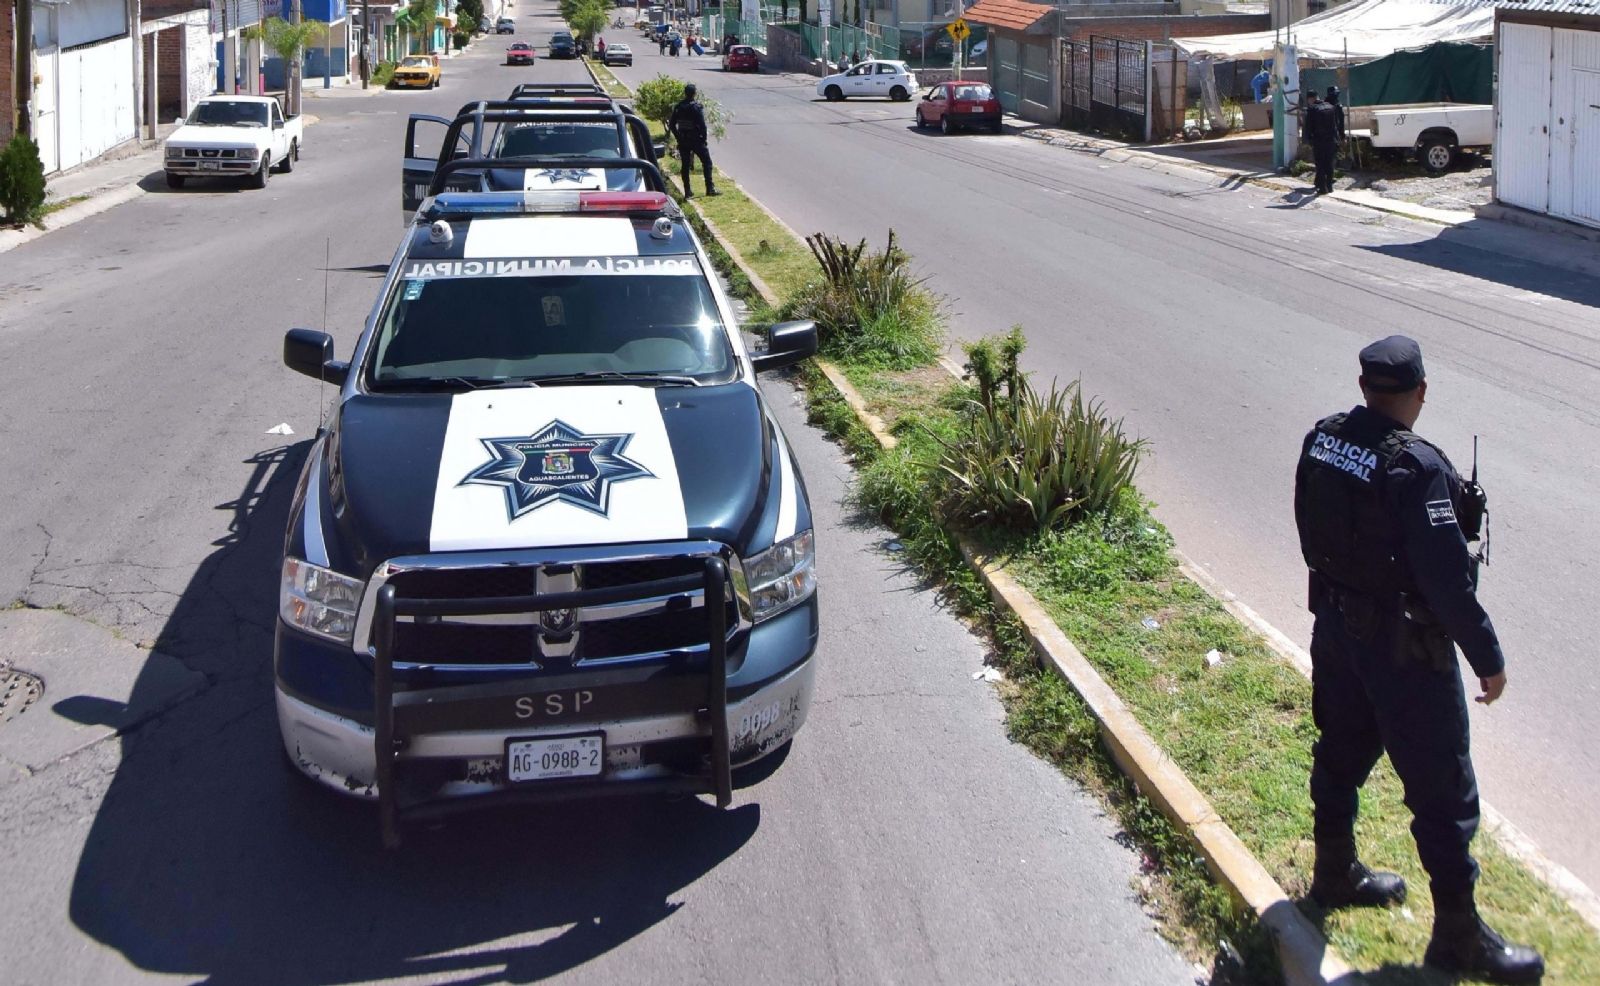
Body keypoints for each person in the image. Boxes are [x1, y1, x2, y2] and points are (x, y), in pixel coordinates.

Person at [1293, 336, 1544, 986]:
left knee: (1340, 749)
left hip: (1337, 627)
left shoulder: (1323, 438)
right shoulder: (1418, 467)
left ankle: (1332, 872)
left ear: (1365, 387)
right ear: (1420, 393)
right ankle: (1459, 936)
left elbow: (1309, 529)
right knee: (1442, 784)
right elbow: (1446, 581)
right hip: (1402, 646)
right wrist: (1486, 657)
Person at [669, 83, 720, 198]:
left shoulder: (679, 107)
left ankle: (687, 191)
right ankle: (710, 188)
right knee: (707, 162)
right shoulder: (696, 107)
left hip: (683, 139)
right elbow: (702, 125)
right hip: (696, 138)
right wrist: (704, 138)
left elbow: (672, 125)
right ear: (694, 93)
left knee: (685, 165)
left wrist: (678, 137)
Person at [1301, 89, 1340, 194]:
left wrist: (1307, 140)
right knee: (1329, 162)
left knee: (1320, 163)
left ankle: (1322, 187)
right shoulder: (1331, 107)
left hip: (1319, 140)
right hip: (1331, 139)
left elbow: (1308, 127)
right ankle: (1330, 186)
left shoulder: (1312, 110)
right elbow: (1336, 123)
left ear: (1310, 99)